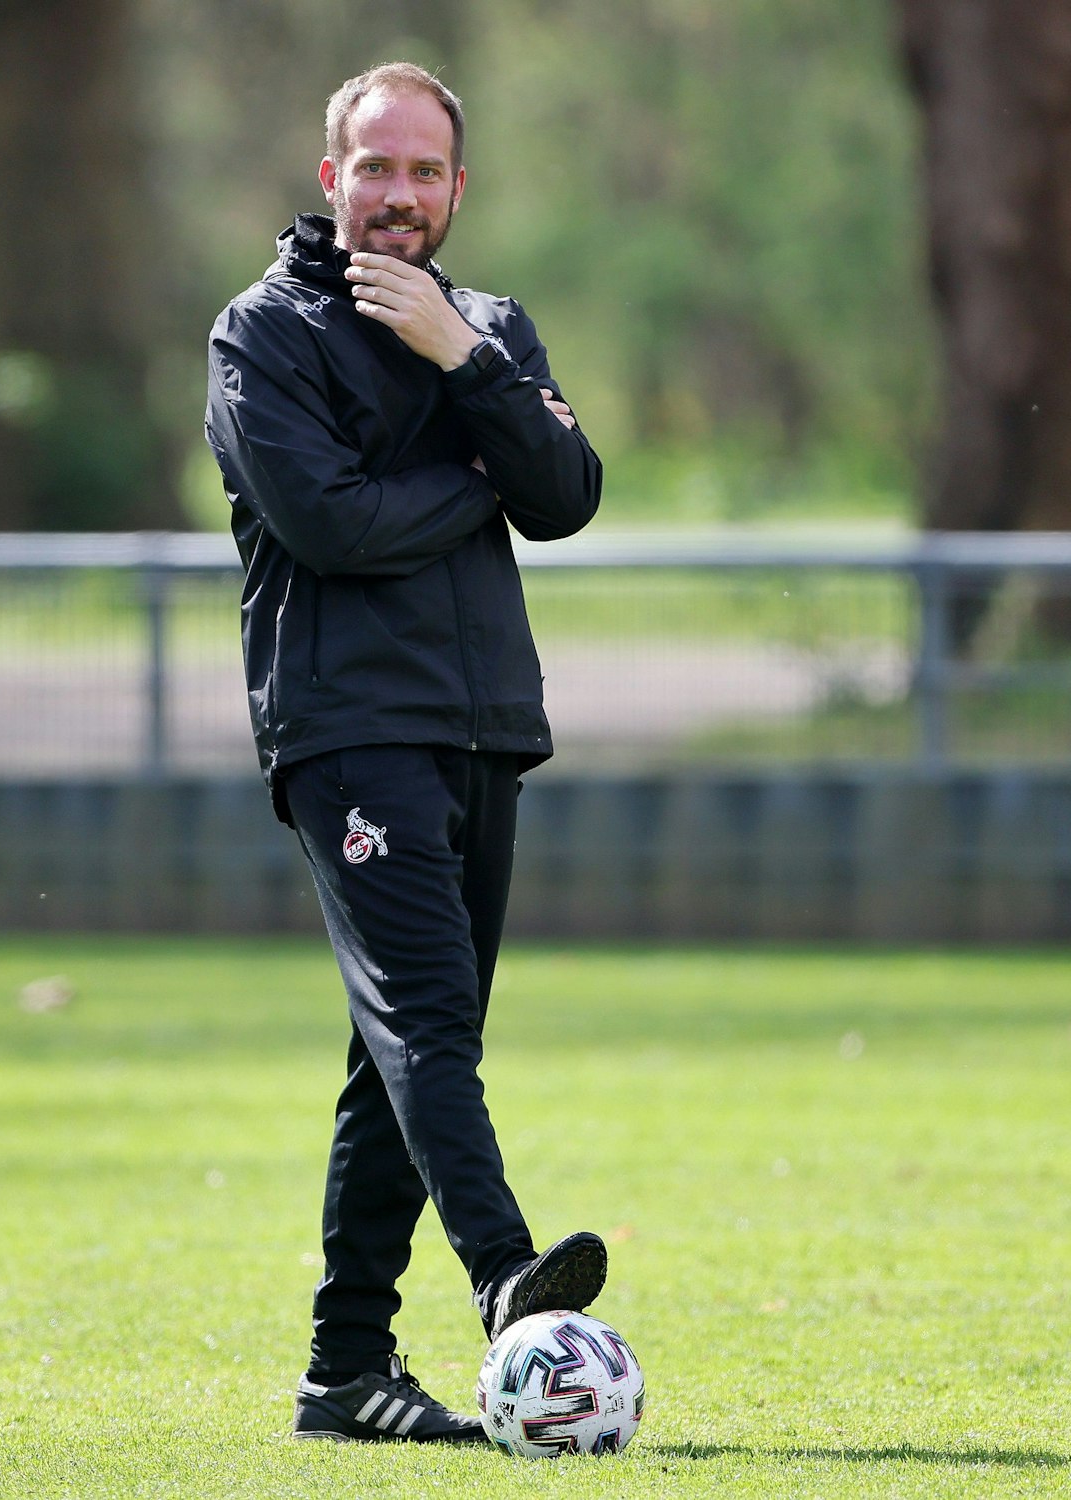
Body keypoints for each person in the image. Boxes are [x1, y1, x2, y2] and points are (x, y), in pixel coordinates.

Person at [204, 62, 607, 1444]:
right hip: (348, 733)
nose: (398, 194)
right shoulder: (262, 335)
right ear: (332, 178)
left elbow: (566, 495)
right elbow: (334, 529)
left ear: (456, 189)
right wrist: (481, 465)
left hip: (482, 730)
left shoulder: (489, 329)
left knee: (408, 1051)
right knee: (428, 1025)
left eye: (424, 171)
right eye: (374, 167)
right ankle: (508, 1279)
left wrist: (466, 366)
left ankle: (344, 1372)